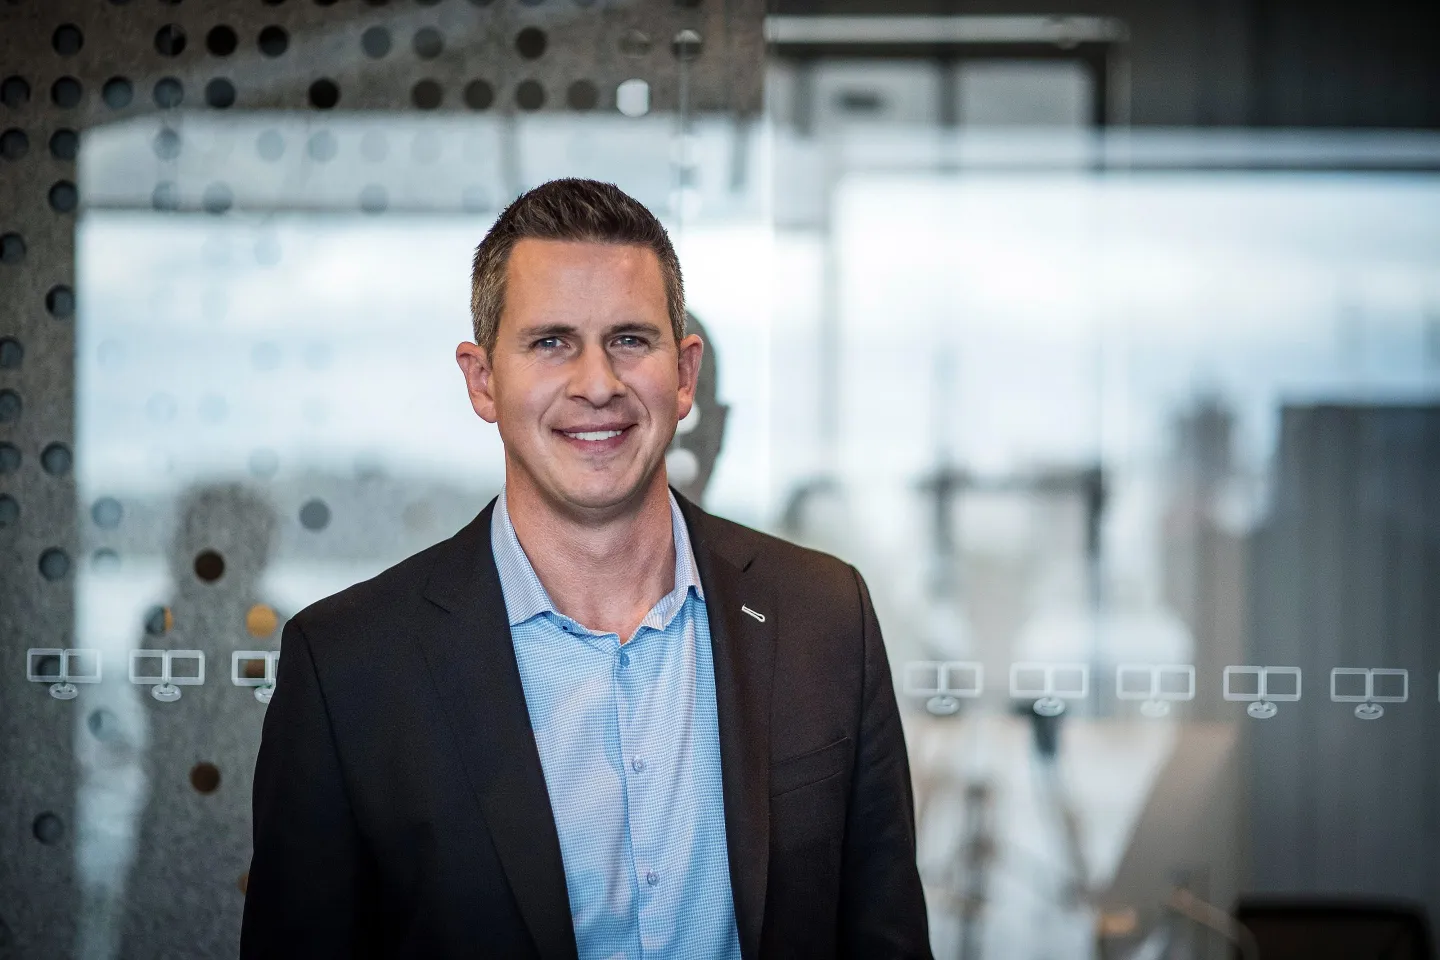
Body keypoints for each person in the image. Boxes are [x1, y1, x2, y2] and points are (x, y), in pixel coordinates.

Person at [240, 178, 930, 959]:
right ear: (482, 379)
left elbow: (886, 937)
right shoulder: (350, 665)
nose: (597, 384)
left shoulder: (823, 616)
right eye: (551, 342)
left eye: (630, 340)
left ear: (684, 374)